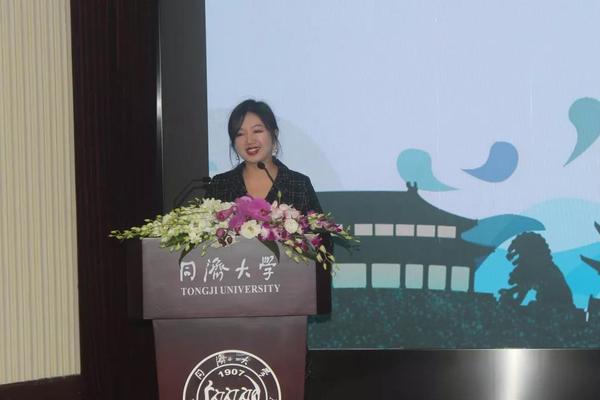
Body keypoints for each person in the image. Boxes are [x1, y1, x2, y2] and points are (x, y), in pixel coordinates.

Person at [205, 99, 323, 215]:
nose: (249, 140)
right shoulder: (220, 185)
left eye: (257, 131)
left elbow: (318, 228)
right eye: (240, 134)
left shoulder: (299, 185)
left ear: (274, 134)